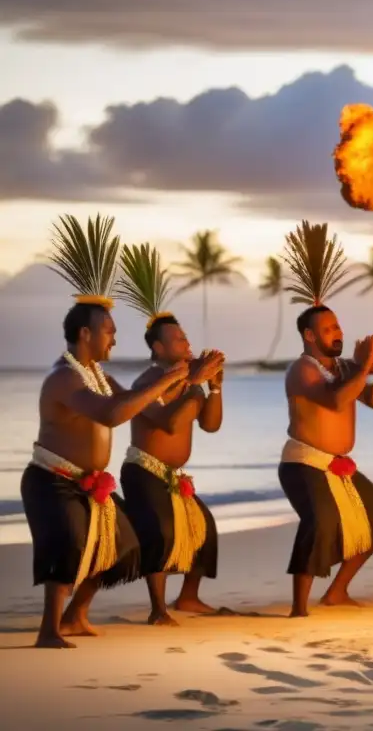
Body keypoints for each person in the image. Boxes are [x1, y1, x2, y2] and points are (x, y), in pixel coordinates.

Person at [21, 215, 188, 648]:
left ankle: (77, 616)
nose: (114, 340)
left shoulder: (95, 373)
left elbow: (134, 402)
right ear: (85, 333)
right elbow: (113, 415)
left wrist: (184, 380)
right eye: (109, 332)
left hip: (89, 484)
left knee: (123, 546)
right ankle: (48, 631)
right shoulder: (65, 378)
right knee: (69, 546)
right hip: (53, 481)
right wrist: (170, 380)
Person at [277, 221, 373, 617]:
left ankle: (337, 591)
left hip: (340, 466)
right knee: (320, 523)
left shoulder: (347, 367)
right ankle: (299, 606)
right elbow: (333, 402)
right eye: (328, 329)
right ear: (310, 337)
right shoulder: (302, 370)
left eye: (338, 325)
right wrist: (362, 369)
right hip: (305, 464)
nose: (337, 332)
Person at [114, 244, 227, 624]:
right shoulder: (147, 382)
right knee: (158, 532)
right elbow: (167, 423)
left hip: (174, 476)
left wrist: (214, 388)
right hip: (144, 470)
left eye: (187, 339)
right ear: (159, 348)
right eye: (179, 341)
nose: (188, 345)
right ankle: (158, 608)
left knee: (205, 529)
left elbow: (210, 426)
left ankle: (189, 598)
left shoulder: (185, 383)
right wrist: (194, 383)